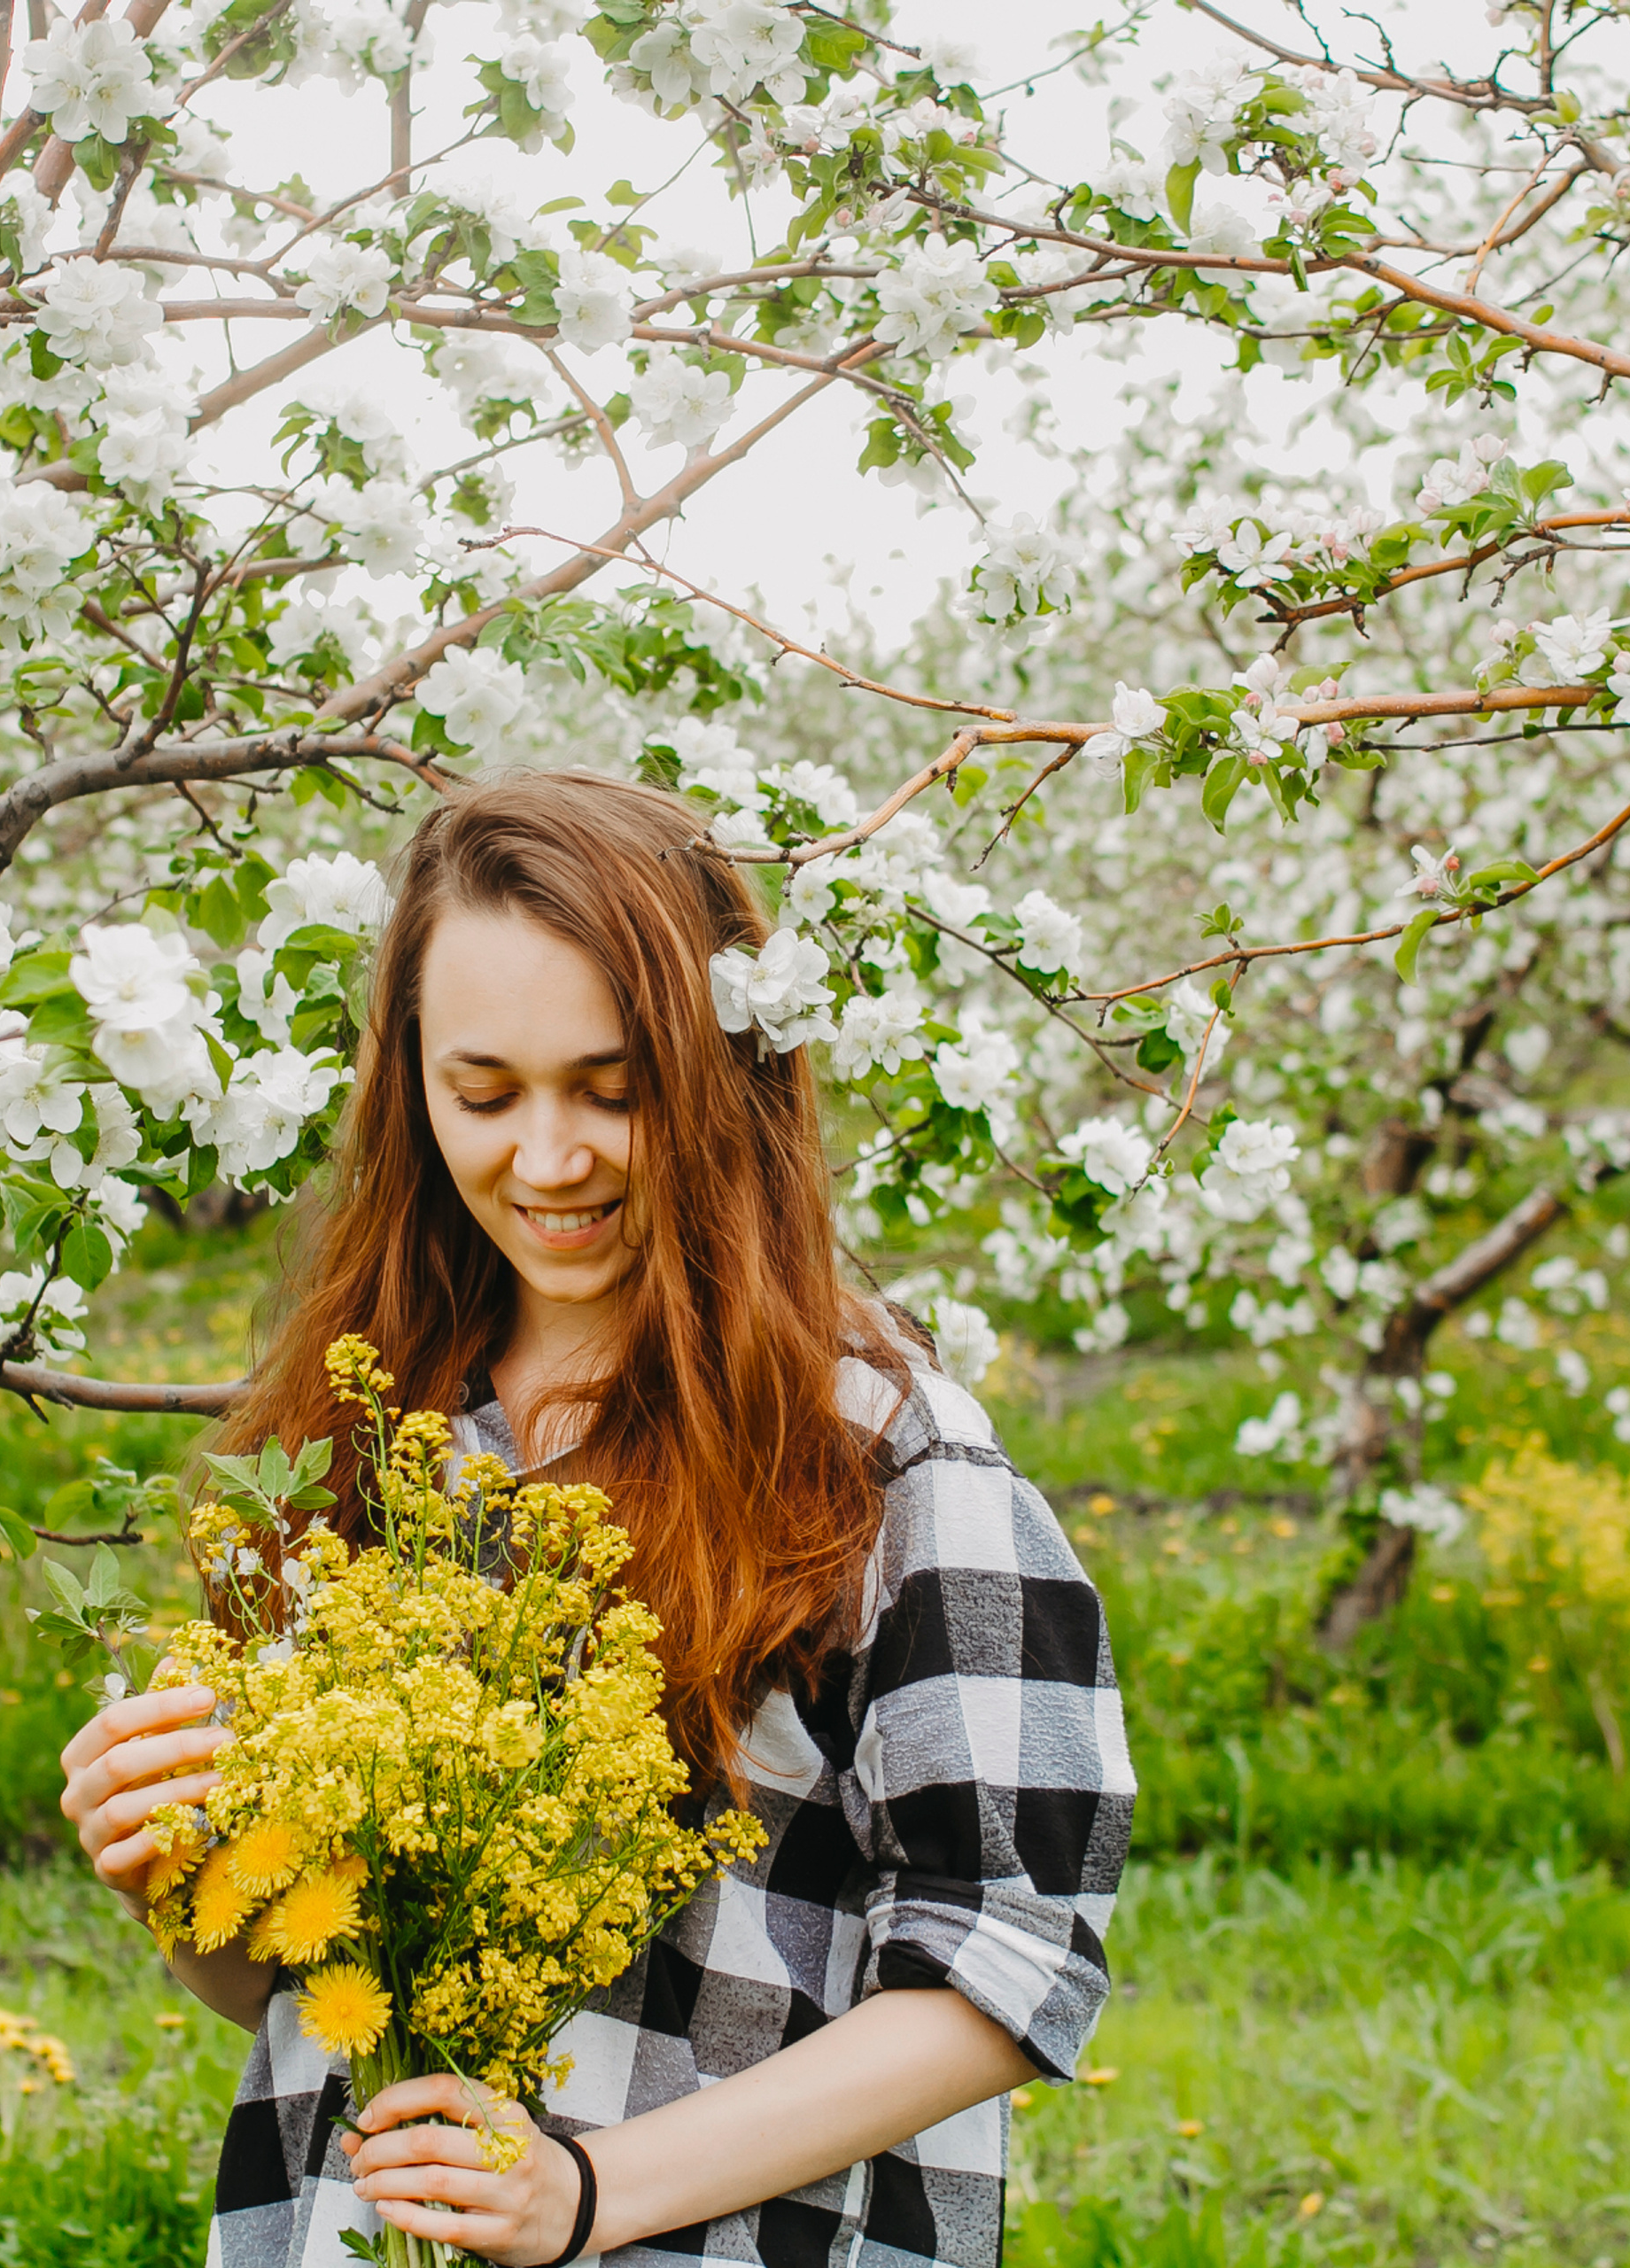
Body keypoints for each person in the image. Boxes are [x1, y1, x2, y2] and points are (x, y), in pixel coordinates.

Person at [59, 771, 1134, 2268]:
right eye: (484, 1094)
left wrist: (584, 2194)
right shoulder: (364, 1435)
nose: (549, 1161)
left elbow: (1012, 1965)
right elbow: (302, 1986)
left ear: (728, 1078)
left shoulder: (886, 1459)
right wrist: (177, 1879)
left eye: (614, 1090)